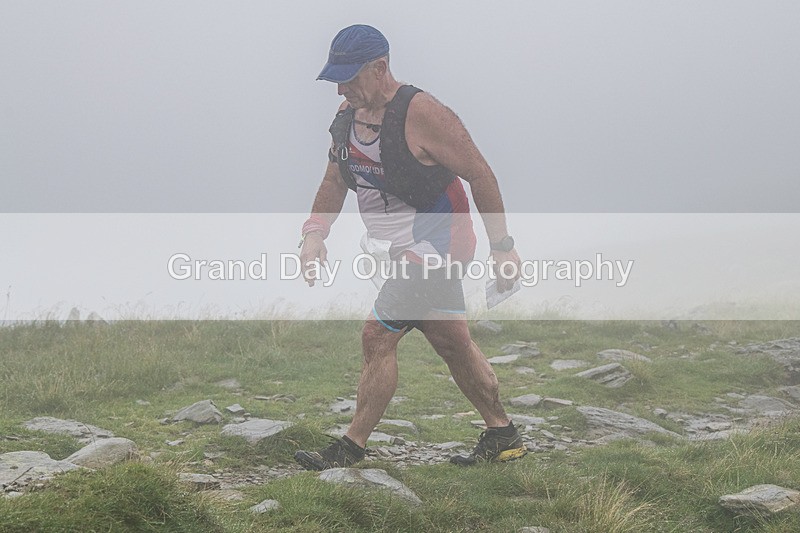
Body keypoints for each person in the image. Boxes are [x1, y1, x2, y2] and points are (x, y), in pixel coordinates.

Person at [294, 24, 524, 470]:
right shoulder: (348, 117)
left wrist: (502, 247)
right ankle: (503, 435)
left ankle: (351, 447)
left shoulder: (424, 113)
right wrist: (315, 233)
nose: (341, 88)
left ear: (380, 68)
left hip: (438, 243)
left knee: (377, 333)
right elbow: (334, 180)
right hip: (398, 248)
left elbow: (481, 175)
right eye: (336, 78)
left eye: (350, 77)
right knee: (451, 342)